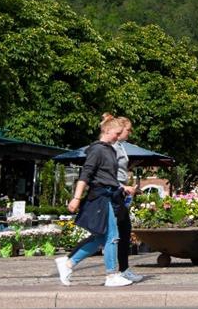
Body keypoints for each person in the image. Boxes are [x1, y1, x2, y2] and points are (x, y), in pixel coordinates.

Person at [56, 114, 131, 288]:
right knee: (112, 236)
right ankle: (111, 275)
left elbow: (107, 177)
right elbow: (86, 175)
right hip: (100, 197)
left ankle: (68, 264)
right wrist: (76, 198)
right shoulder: (97, 150)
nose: (118, 136)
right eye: (116, 133)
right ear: (107, 130)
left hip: (108, 195)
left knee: (100, 238)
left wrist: (121, 187)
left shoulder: (110, 149)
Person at [111, 117, 142, 283]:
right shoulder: (112, 147)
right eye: (128, 129)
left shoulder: (120, 147)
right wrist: (122, 187)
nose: (130, 133)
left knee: (123, 230)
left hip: (120, 191)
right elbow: (107, 173)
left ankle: (123, 269)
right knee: (109, 234)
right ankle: (70, 261)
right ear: (120, 129)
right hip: (114, 192)